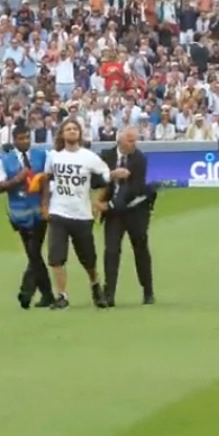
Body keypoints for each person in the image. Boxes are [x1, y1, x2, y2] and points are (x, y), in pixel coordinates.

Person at [41, 119, 128, 310]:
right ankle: (62, 295)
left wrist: (112, 177)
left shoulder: (89, 157)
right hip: (59, 212)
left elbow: (105, 177)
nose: (72, 132)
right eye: (68, 129)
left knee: (88, 258)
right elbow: (46, 179)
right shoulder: (54, 156)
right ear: (62, 134)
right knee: (56, 257)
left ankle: (95, 284)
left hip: (81, 214)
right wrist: (45, 205)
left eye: (75, 129)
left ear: (80, 134)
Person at [0, 124, 55, 309]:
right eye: (21, 138)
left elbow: (47, 181)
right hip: (18, 214)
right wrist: (16, 180)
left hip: (39, 212)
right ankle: (46, 295)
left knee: (34, 252)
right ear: (14, 140)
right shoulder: (5, 160)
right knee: (32, 254)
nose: (25, 141)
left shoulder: (42, 155)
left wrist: (45, 204)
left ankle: (27, 291)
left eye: (27, 137)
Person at [95, 127, 156, 306]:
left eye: (135, 141)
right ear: (119, 141)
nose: (133, 144)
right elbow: (94, 181)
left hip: (135, 211)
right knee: (111, 250)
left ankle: (148, 291)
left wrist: (109, 206)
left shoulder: (139, 159)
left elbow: (133, 189)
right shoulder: (106, 157)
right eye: (130, 141)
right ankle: (109, 294)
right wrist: (111, 175)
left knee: (141, 248)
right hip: (113, 214)